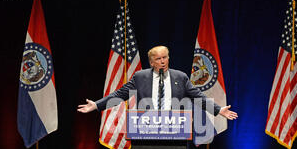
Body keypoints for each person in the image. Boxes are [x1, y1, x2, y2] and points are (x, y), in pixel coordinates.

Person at [77, 45, 238, 121]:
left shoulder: (180, 77)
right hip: (146, 127)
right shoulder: (140, 77)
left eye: (165, 57)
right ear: (152, 62)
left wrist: (218, 110)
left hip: (175, 127)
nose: (162, 61)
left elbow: (198, 96)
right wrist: (97, 105)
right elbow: (119, 94)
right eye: (158, 59)